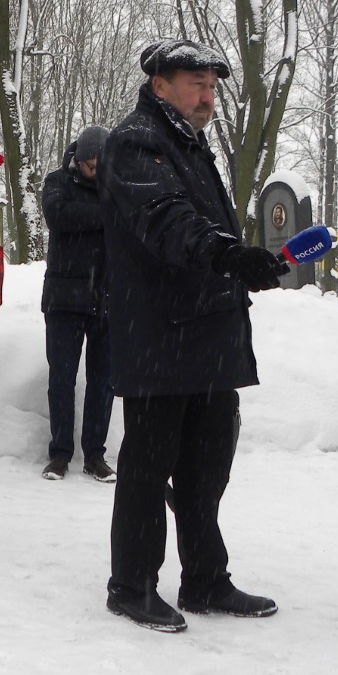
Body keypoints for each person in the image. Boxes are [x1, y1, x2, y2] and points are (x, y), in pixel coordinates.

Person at [100, 38, 290, 633]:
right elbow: (167, 222)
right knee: (147, 468)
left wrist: (240, 266)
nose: (209, 96)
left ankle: (206, 579)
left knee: (206, 470)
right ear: (160, 85)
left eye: (213, 86)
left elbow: (199, 229)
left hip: (208, 336)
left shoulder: (190, 144)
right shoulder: (137, 142)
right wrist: (229, 255)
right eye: (196, 84)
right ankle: (131, 585)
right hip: (159, 335)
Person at [40, 124, 115, 481]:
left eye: (101, 166)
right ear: (79, 160)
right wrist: (107, 215)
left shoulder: (120, 183)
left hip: (109, 299)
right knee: (62, 379)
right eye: (90, 166)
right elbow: (59, 217)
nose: (95, 172)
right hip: (64, 299)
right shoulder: (57, 181)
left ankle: (95, 455)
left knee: (104, 382)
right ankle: (59, 453)